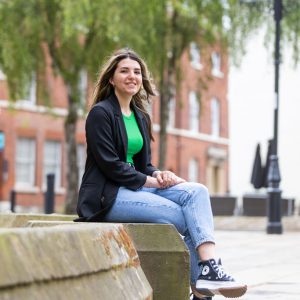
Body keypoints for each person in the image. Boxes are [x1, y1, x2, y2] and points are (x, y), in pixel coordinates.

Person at [76, 48, 247, 299]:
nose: (132, 76)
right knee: (183, 216)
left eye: (137, 72)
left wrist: (161, 174)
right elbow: (110, 165)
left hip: (136, 187)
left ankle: (209, 270)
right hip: (108, 196)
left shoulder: (141, 116)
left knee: (197, 192)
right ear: (111, 78)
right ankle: (203, 288)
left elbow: (144, 164)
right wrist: (150, 181)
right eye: (124, 71)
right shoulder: (100, 113)